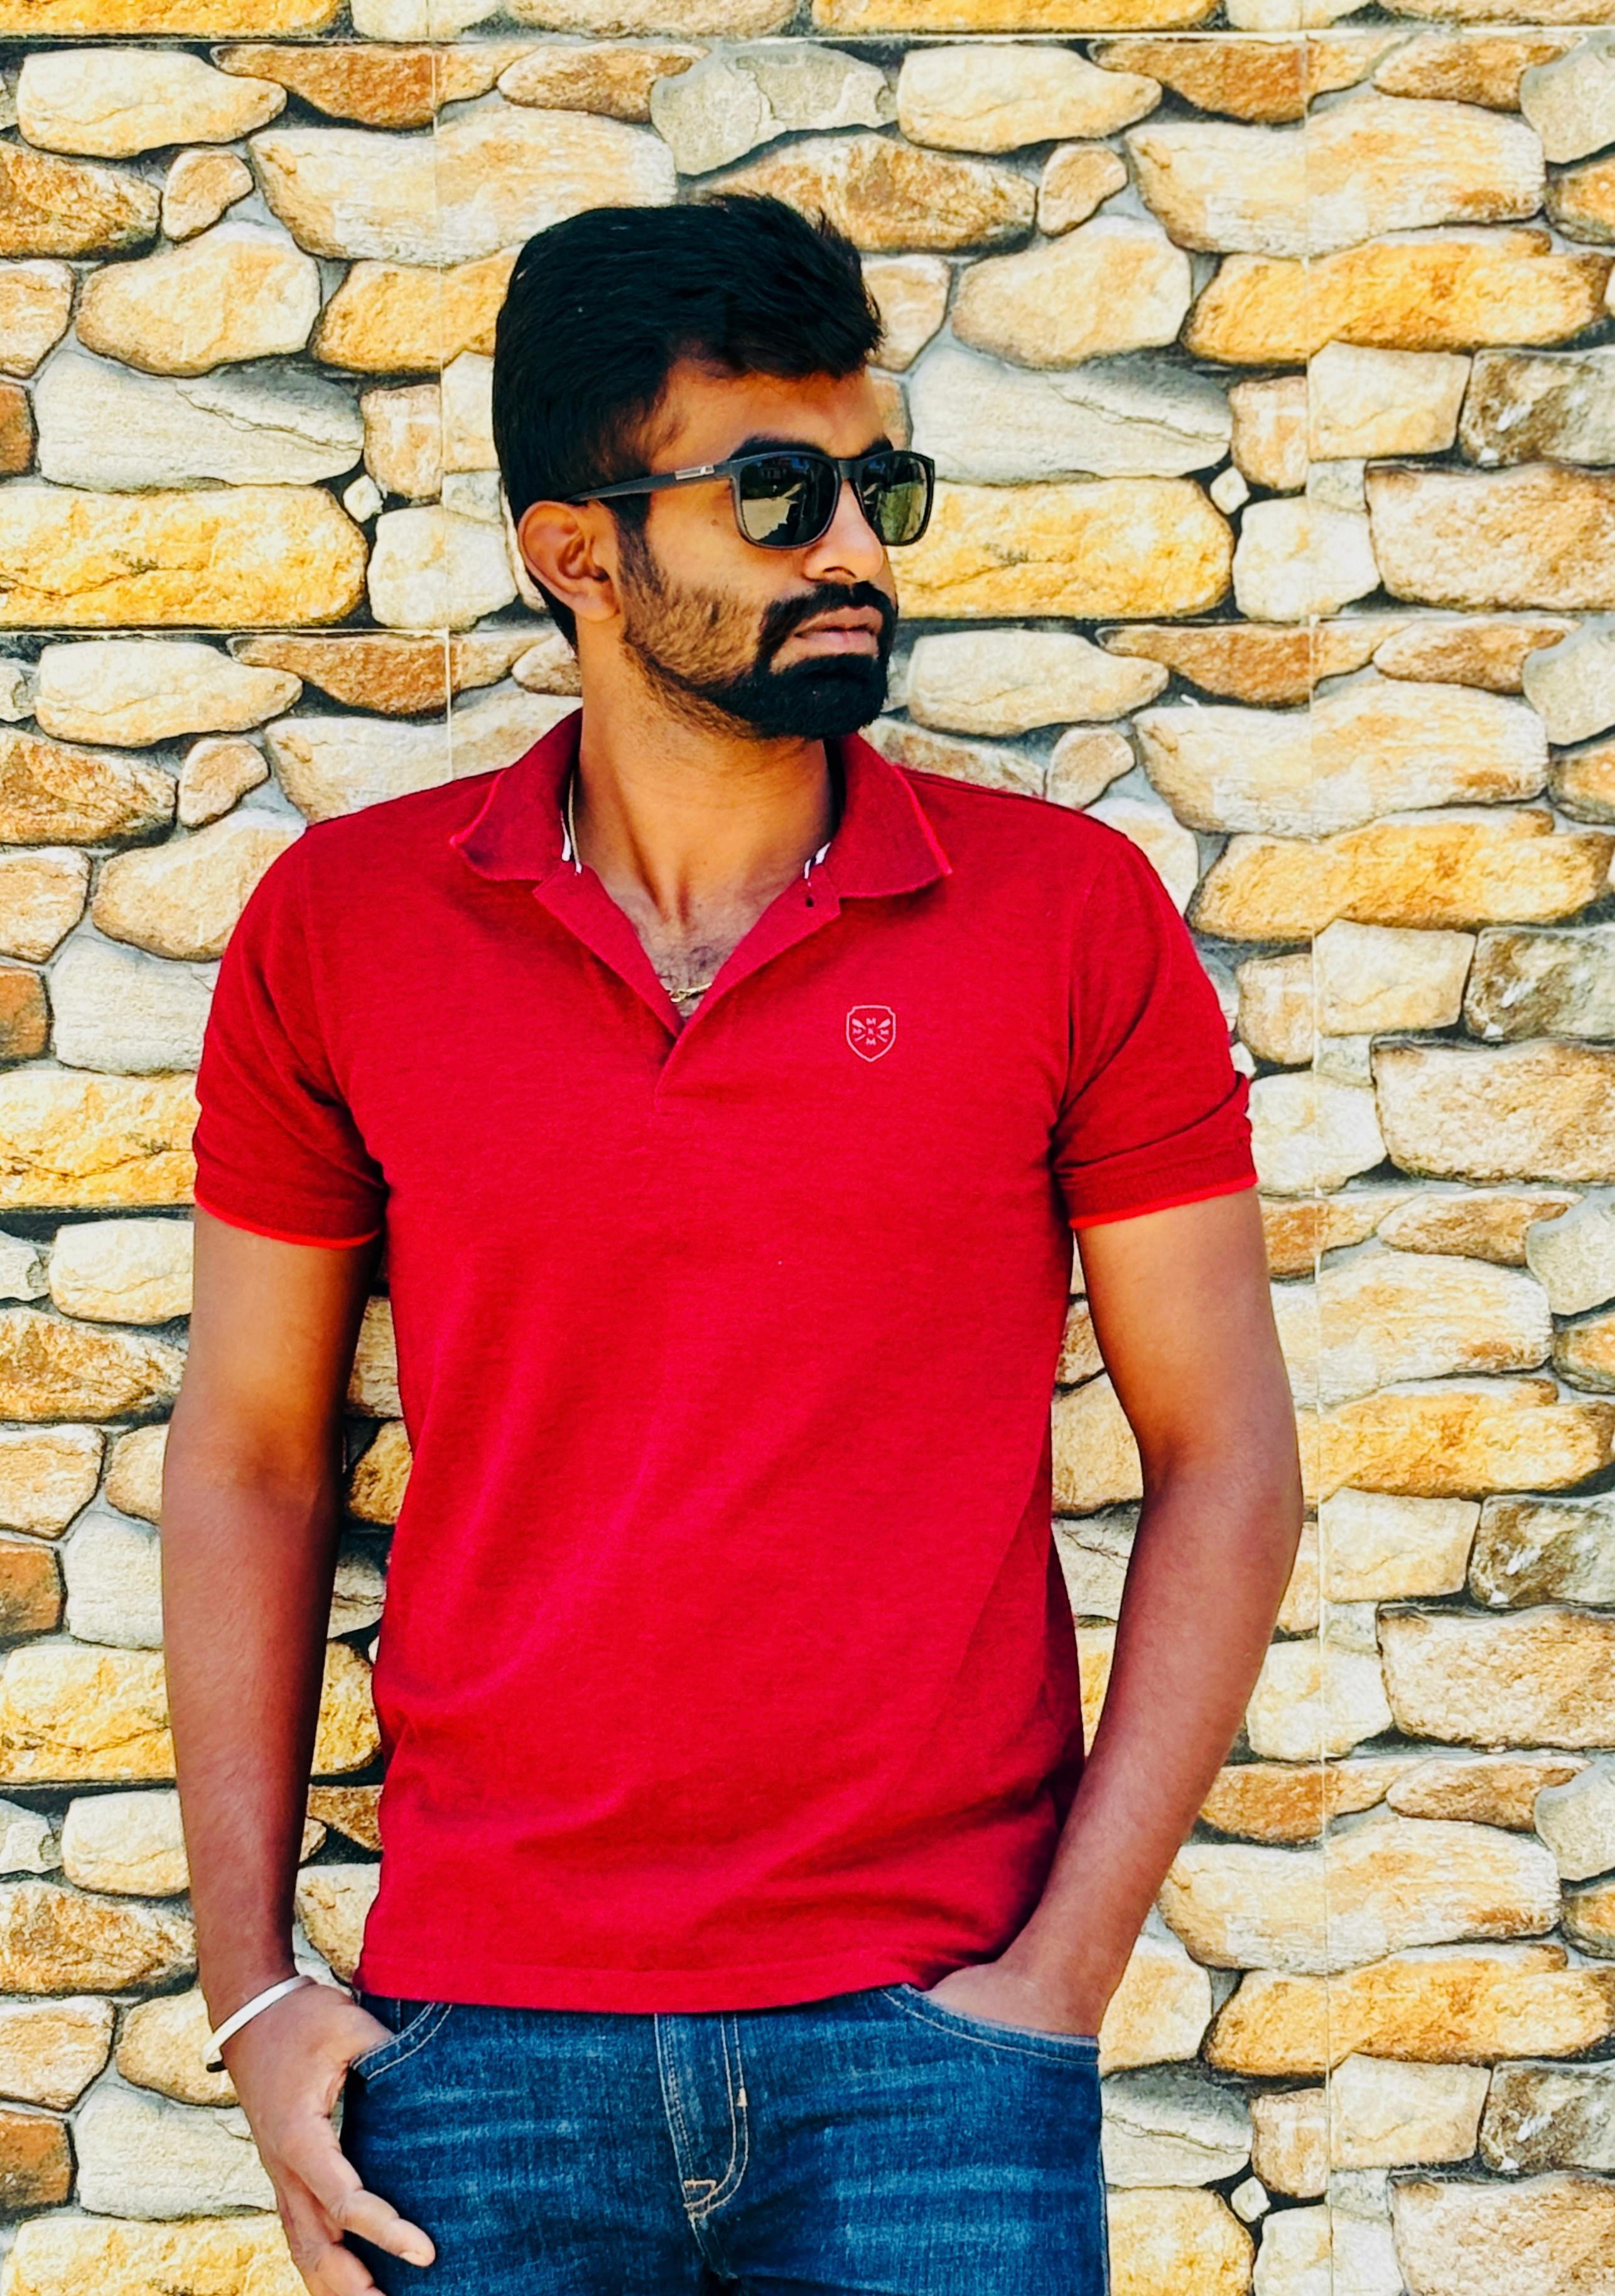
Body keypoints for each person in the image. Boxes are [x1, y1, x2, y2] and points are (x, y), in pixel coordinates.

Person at [163, 192, 1303, 2296]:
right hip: (475, 2047)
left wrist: (1057, 1977)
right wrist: (252, 1991)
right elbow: (247, 1453)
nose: (855, 547)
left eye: (881, 488)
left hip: (935, 2046)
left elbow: (1226, 1452)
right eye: (777, 495)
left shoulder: (1066, 920)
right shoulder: (344, 929)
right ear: (574, 552)